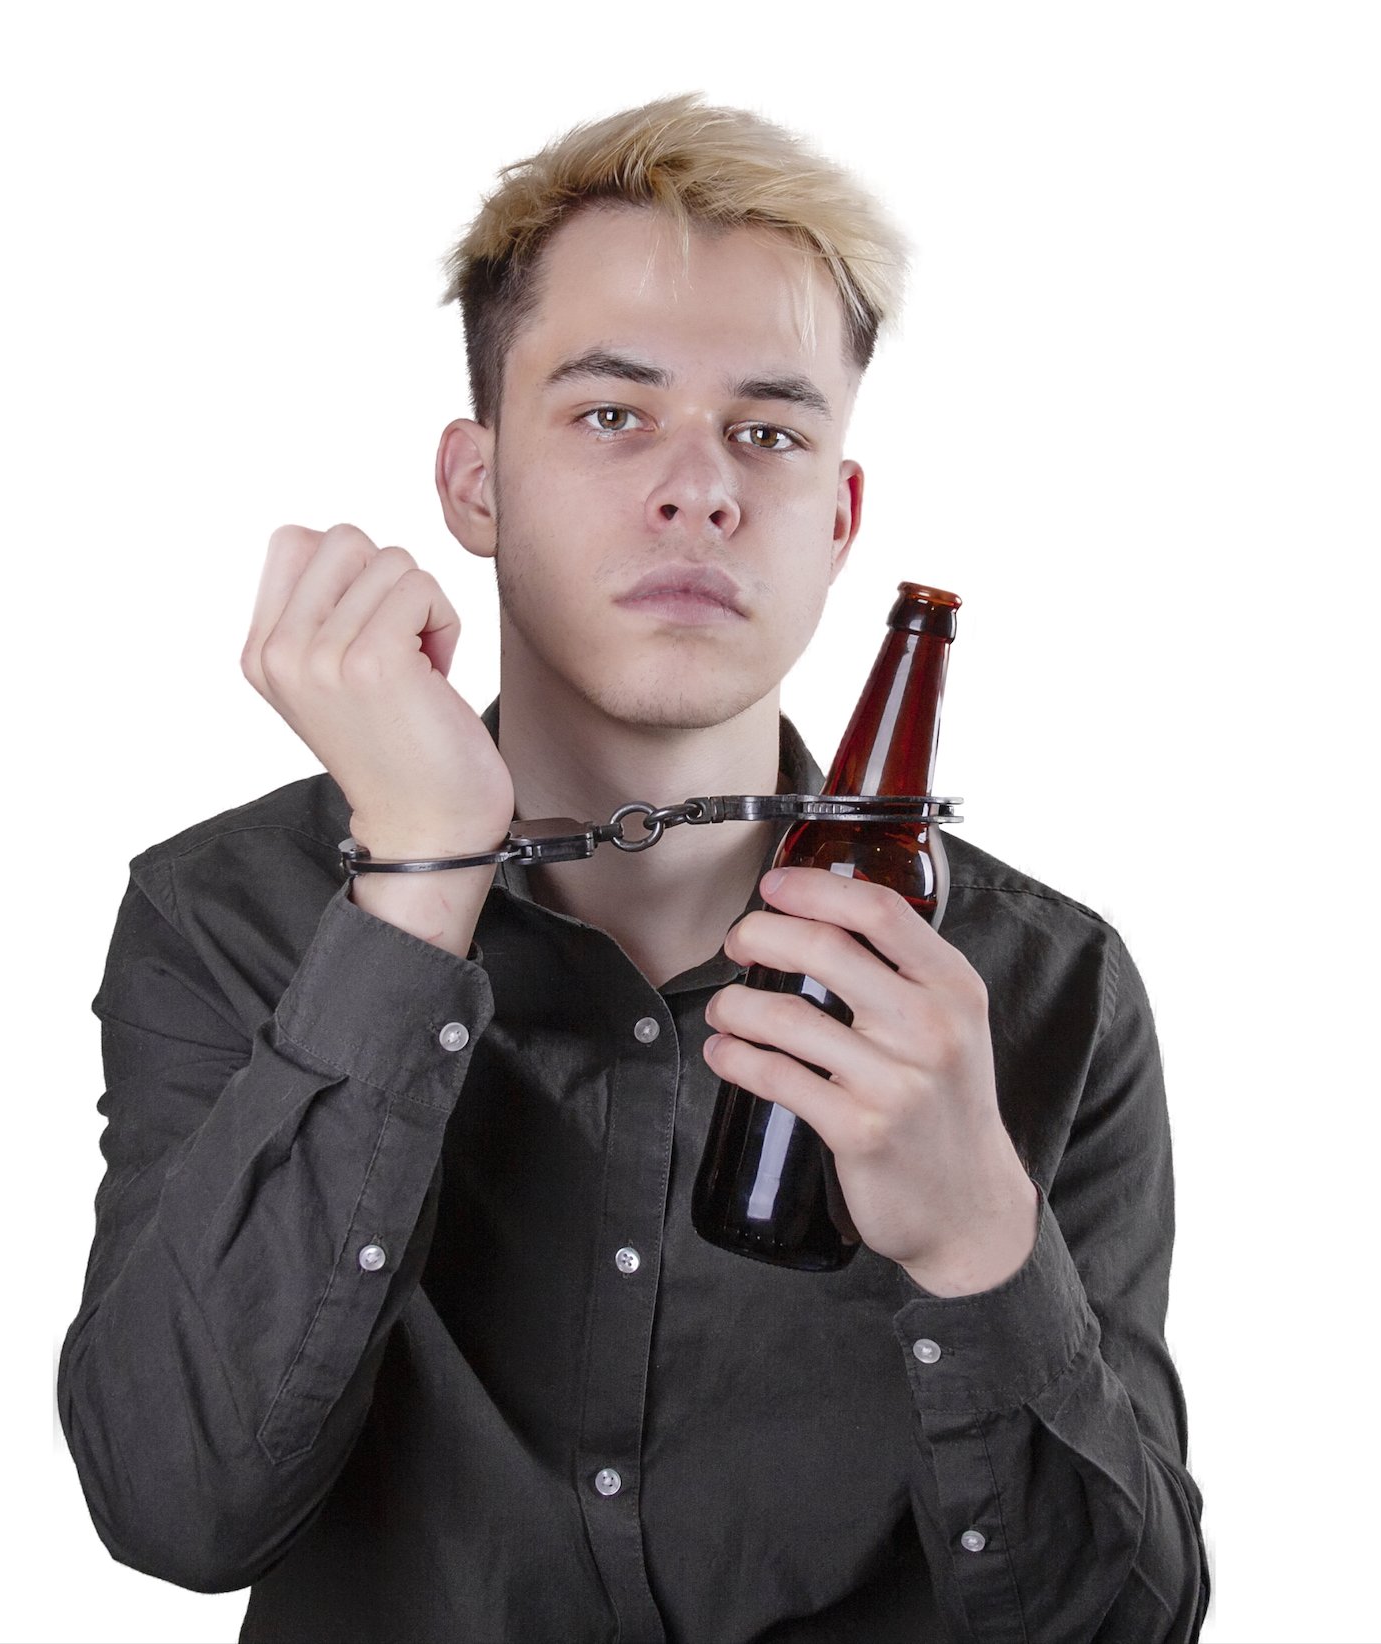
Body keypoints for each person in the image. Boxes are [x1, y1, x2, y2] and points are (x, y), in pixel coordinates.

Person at [58, 93, 1210, 1643]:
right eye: (612, 415)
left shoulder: (1048, 987)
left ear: (838, 516)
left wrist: (976, 1245)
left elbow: (1127, 1627)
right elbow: (175, 1513)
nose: (702, 487)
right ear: (476, 485)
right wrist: (413, 892)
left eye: (769, 431)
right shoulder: (229, 917)